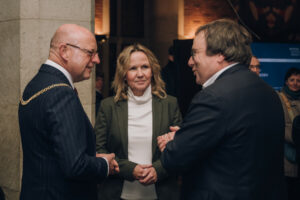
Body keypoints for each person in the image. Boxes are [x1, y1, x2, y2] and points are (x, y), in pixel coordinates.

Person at [158, 19, 285, 200]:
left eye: (194, 53)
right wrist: (189, 135)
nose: (189, 62)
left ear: (219, 54)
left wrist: (175, 142)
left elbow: (174, 159)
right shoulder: (269, 92)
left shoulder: (213, 97)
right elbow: (236, 143)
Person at [18, 24, 119, 200]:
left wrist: (90, 157)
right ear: (64, 51)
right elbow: (75, 166)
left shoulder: (38, 82)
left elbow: (52, 150)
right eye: (91, 52)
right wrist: (103, 165)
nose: (97, 60)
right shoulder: (61, 93)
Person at [94, 43, 182, 200]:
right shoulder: (108, 107)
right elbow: (100, 151)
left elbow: (180, 149)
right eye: (133, 68)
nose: (140, 74)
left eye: (145, 67)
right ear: (123, 74)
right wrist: (130, 169)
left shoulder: (170, 104)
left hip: (162, 193)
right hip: (117, 193)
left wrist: (158, 169)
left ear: (153, 71)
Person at [278, 67, 300, 200]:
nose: (295, 83)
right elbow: (281, 125)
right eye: (292, 80)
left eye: (298, 80)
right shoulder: (279, 98)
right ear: (286, 81)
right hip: (287, 155)